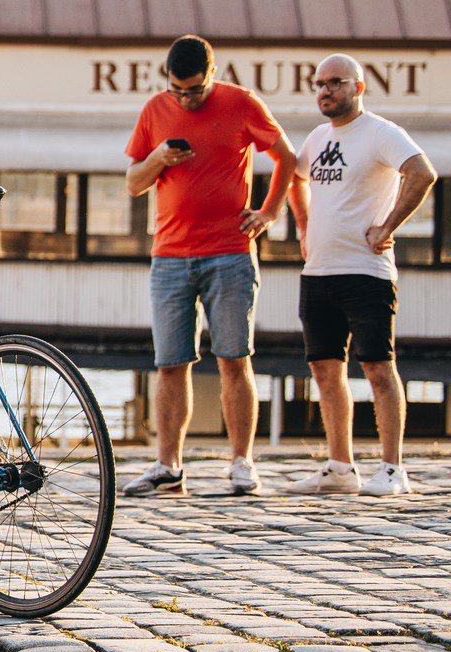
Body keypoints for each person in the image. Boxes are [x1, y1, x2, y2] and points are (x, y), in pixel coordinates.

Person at [121, 35, 297, 498]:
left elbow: (287, 158)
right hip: (170, 257)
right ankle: (167, 464)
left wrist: (269, 213)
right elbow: (134, 183)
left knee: (234, 358)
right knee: (170, 364)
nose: (185, 98)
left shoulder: (242, 104)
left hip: (230, 254)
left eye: (194, 90)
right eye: (178, 90)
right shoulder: (156, 111)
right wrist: (159, 157)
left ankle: (242, 462)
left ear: (212, 75)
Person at [283, 55, 435, 497]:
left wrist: (388, 226)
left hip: (366, 272)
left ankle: (391, 469)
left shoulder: (381, 133)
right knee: (325, 369)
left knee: (377, 367)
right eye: (319, 84)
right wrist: (305, 226)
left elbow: (422, 173)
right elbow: (295, 176)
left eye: (335, 83)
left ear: (358, 88)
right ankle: (339, 467)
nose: (325, 91)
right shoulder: (316, 137)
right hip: (319, 272)